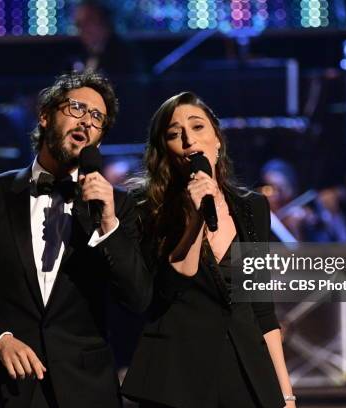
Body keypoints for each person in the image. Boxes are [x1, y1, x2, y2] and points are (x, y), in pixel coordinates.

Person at [0, 71, 152, 408]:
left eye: (97, 118)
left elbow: (137, 299)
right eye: (77, 108)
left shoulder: (117, 205)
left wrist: (108, 223)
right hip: (4, 391)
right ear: (46, 116)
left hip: (87, 393)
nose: (86, 122)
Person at [122, 92, 295, 407]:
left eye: (198, 127)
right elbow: (165, 291)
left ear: (217, 139)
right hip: (179, 380)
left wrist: (286, 395)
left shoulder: (252, 207)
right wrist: (196, 218)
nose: (189, 139)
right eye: (174, 134)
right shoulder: (144, 210)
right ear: (166, 151)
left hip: (246, 375)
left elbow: (262, 312)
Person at [70, 1, 143, 76]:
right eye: (79, 24)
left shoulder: (124, 53)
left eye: (89, 21)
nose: (83, 29)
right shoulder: (77, 54)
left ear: (104, 21)